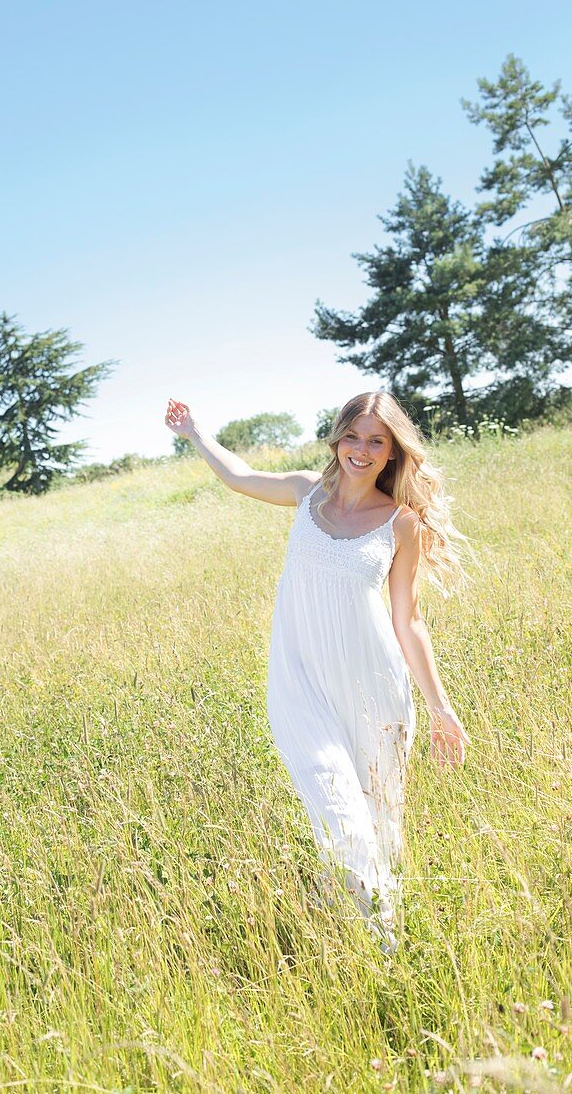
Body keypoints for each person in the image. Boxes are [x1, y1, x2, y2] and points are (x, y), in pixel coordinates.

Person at [164, 390, 471, 955]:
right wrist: (197, 434)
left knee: (378, 820)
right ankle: (383, 946)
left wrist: (440, 707)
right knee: (337, 805)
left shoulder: (401, 523)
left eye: (376, 440)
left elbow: (409, 620)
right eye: (353, 435)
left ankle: (363, 934)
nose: (361, 449)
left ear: (391, 452)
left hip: (373, 688)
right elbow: (242, 476)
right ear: (337, 438)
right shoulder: (308, 494)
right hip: (300, 683)